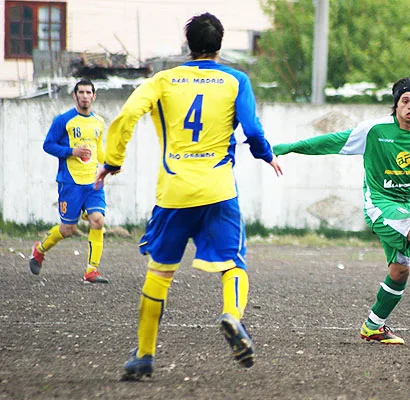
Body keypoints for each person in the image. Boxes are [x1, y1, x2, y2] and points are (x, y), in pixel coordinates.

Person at [95, 12, 283, 379]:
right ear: (220, 45)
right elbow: (252, 127)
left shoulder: (162, 80)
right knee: (233, 264)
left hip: (174, 191)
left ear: (188, 43)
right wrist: (266, 154)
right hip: (218, 188)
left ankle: (144, 355)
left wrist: (113, 160)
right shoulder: (235, 79)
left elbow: (129, 113)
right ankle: (231, 314)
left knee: (160, 273)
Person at [273, 77, 410, 345]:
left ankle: (373, 326)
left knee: (400, 271)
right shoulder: (373, 131)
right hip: (380, 205)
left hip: (406, 210)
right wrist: (289, 147)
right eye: (405, 100)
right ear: (395, 105)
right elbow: (330, 141)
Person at [30, 78, 110, 284]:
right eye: (81, 92)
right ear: (75, 96)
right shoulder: (63, 120)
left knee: (98, 221)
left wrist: (109, 165)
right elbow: (48, 145)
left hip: (93, 183)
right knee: (68, 229)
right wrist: (71, 151)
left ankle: (92, 271)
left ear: (94, 96)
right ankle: (39, 250)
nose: (85, 96)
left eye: (88, 92)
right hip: (70, 182)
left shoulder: (99, 122)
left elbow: (98, 150)